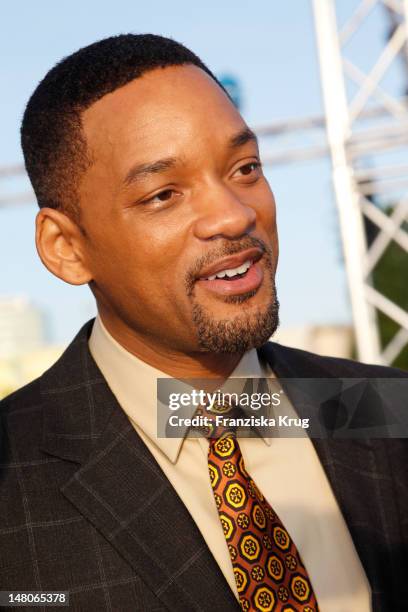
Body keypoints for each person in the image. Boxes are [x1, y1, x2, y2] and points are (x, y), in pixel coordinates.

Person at [0, 34, 407, 612]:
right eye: (164, 194)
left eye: (245, 168)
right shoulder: (11, 468)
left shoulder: (383, 406)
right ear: (66, 247)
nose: (234, 214)